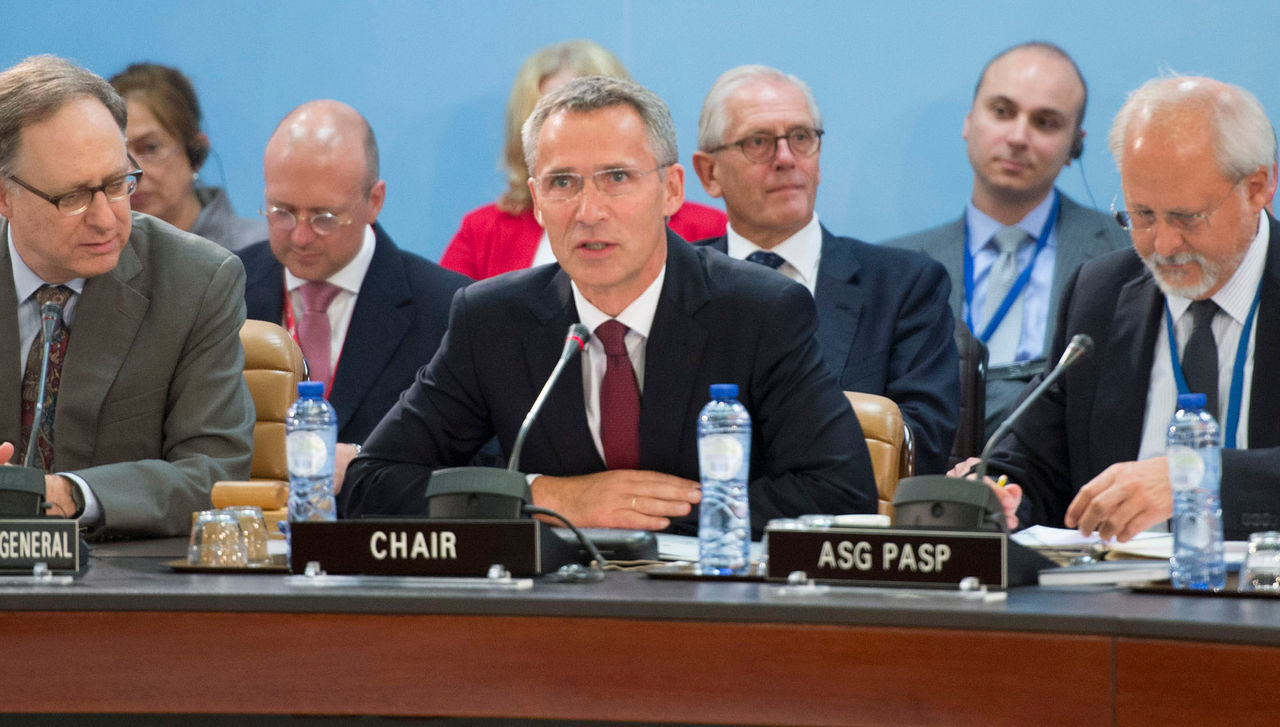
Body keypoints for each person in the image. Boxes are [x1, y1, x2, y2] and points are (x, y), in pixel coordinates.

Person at [343, 76, 876, 535]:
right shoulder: (492, 321)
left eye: (617, 178)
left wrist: (640, 512)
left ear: (671, 190)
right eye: (562, 183)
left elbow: (839, 494)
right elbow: (374, 482)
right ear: (536, 201)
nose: (588, 211)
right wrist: (551, 499)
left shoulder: (760, 311)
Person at [958, 75, 1280, 542]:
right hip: (1119, 599)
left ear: (1258, 187)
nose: (1164, 245)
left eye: (1187, 217)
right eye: (1142, 216)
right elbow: (1038, 463)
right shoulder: (1101, 293)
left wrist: (1193, 478)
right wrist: (998, 492)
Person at [0, 55, 253, 538]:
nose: (106, 218)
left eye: (117, 184)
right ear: (4, 195)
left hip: (121, 583)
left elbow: (215, 472)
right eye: (72, 196)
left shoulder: (198, 281)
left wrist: (72, 495)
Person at [690, 65, 960, 475]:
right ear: (709, 173)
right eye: (759, 142)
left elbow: (918, 447)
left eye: (801, 137)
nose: (785, 158)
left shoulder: (906, 286)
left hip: (847, 528)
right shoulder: (678, 282)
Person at [888, 42, 1126, 439]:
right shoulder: (894, 266)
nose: (1018, 136)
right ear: (969, 121)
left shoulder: (1124, 258)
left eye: (1045, 122)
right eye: (1002, 112)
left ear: (1075, 146)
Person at [238, 100, 470, 497]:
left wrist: (365, 466)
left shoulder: (448, 309)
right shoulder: (225, 291)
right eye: (282, 212)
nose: (301, 236)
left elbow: (477, 468)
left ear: (374, 201)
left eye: (325, 217)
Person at [440, 39, 727, 280]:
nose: (589, 213)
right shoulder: (483, 232)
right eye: (554, 116)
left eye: (616, 176)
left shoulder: (707, 229)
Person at [108, 62, 265, 251]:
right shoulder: (96, 264)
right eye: (116, 152)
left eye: (150, 148)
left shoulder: (263, 252)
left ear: (195, 152)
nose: (130, 173)